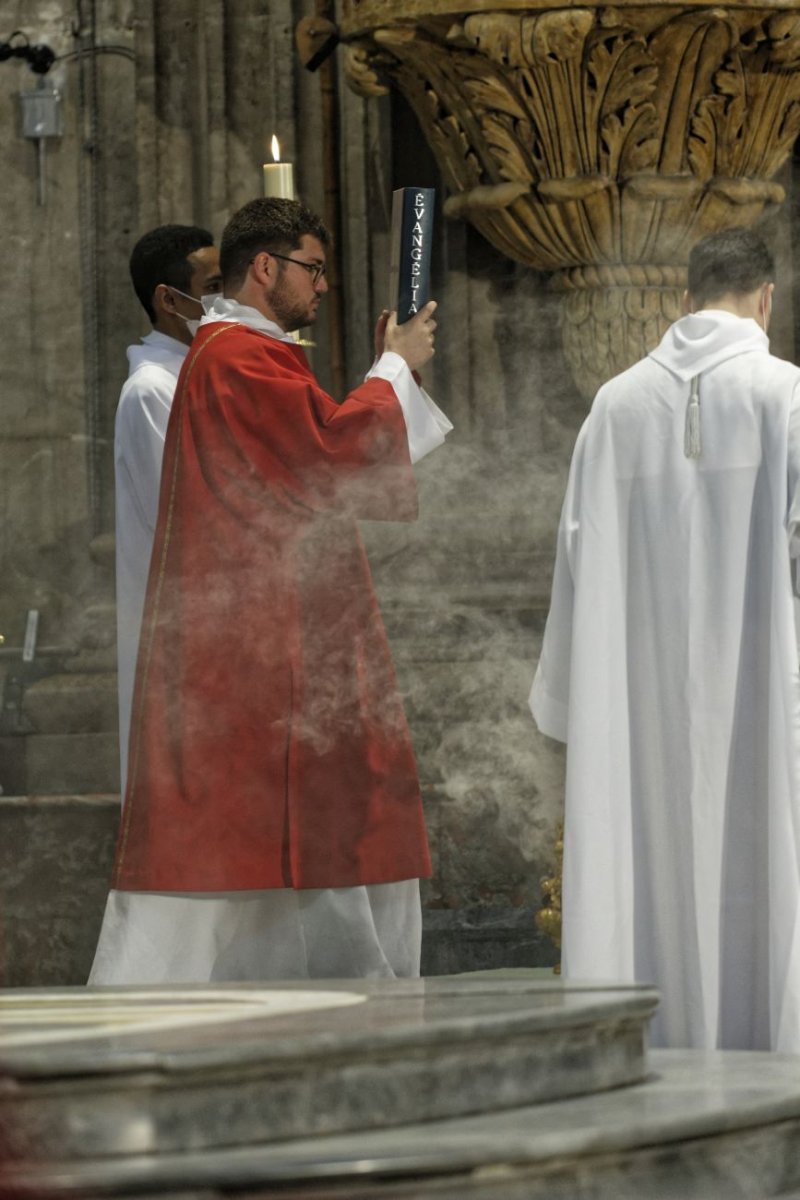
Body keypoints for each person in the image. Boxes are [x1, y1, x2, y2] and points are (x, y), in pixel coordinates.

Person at [89, 197, 451, 984]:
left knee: (312, 826)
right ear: (265, 268)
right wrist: (393, 364)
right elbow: (328, 457)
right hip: (251, 645)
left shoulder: (235, 354)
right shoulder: (235, 356)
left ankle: (327, 993)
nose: (322, 288)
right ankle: (147, 1020)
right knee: (225, 840)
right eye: (313, 270)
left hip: (271, 628)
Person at [530, 228, 800, 1053]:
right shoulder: (787, 394)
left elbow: (574, 566)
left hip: (636, 711)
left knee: (644, 874)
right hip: (763, 699)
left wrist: (572, 704)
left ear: (683, 300)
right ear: (766, 298)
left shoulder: (614, 405)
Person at [115, 225, 222, 793]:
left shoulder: (201, 375)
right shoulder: (153, 390)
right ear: (169, 298)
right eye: (214, 286)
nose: (226, 303)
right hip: (183, 629)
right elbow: (187, 519)